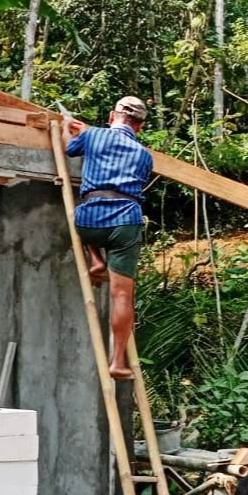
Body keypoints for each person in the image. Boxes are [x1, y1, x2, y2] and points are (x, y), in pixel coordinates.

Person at [63, 96, 153, 378]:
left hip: (89, 221)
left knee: (82, 217)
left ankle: (95, 258)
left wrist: (67, 126)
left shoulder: (93, 135)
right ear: (138, 127)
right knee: (122, 295)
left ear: (112, 116)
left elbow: (69, 149)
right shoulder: (144, 155)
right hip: (126, 220)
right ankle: (118, 362)